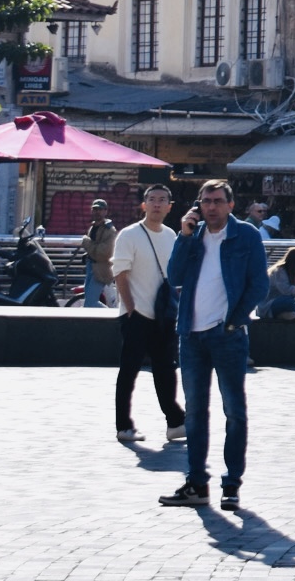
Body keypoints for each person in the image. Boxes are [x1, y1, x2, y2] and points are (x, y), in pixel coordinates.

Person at [158, 180, 265, 511]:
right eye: (206, 201)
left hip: (227, 335)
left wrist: (234, 320)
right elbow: (174, 276)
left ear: (231, 205)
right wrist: (184, 235)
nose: (211, 207)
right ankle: (196, 484)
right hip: (191, 334)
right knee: (194, 414)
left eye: (218, 201)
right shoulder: (193, 235)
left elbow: (258, 285)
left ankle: (231, 484)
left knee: (234, 411)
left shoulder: (245, 235)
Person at [112, 184, 186, 444]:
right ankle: (124, 425)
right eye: (152, 200)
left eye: (162, 200)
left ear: (169, 206)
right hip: (137, 314)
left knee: (166, 370)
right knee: (129, 371)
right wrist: (130, 307)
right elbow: (119, 272)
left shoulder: (171, 236)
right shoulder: (129, 235)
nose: (156, 204)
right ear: (143, 205)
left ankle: (175, 422)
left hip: (163, 315)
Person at [259, 247, 295, 320]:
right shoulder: (279, 270)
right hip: (271, 304)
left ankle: (291, 314)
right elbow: (286, 291)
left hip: (288, 302)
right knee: (288, 301)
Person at [82, 199, 118, 307]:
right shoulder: (93, 227)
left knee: (90, 303)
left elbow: (104, 253)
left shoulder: (109, 230)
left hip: (101, 271)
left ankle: (112, 318)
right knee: (88, 302)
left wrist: (86, 242)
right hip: (91, 267)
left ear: (105, 211)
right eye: (95, 209)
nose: (97, 212)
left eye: (100, 209)